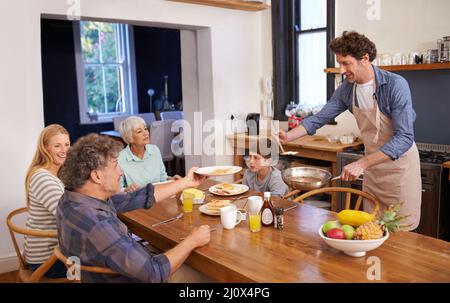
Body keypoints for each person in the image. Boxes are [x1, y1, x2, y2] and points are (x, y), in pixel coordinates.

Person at [279, 31, 421, 230]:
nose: (342, 70)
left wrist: (362, 164)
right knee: (370, 229)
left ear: (364, 58)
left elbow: (404, 138)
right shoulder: (347, 89)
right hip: (372, 169)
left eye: (346, 63)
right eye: (339, 63)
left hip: (400, 169)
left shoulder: (395, 85)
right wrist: (288, 135)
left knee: (401, 234)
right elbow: (321, 117)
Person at [56, 133, 211, 282]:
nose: (121, 172)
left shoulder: (72, 199)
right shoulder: (98, 226)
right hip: (134, 277)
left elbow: (138, 197)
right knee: (208, 274)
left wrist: (186, 182)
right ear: (97, 176)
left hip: (109, 270)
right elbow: (155, 273)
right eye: (116, 166)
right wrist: (192, 240)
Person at [24, 124, 70, 278]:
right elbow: (70, 215)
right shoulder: (43, 177)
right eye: (57, 146)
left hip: (55, 253)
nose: (64, 150)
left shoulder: (57, 174)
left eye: (67, 144)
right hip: (48, 261)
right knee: (110, 263)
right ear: (45, 148)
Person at [118, 116, 181, 192]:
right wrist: (126, 190)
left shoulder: (154, 150)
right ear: (129, 138)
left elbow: (162, 176)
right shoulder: (120, 159)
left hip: (159, 196)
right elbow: (117, 190)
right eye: (139, 131)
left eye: (145, 129)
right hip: (137, 201)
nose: (146, 133)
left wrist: (171, 179)